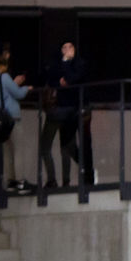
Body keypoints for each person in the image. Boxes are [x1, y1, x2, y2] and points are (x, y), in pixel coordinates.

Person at [0, 52, 31, 196]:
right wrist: (26, 88)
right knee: (17, 150)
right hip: (10, 117)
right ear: (1, 65)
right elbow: (18, 94)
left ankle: (10, 181)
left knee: (6, 150)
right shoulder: (4, 77)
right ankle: (20, 181)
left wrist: (13, 83)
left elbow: (0, 93)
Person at [39, 42, 85, 188]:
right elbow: (51, 79)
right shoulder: (56, 65)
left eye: (70, 47)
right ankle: (53, 179)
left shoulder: (78, 64)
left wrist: (65, 64)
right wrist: (61, 80)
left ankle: (67, 180)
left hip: (69, 111)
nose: (67, 50)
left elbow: (73, 78)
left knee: (66, 147)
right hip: (56, 110)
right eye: (64, 48)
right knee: (48, 146)